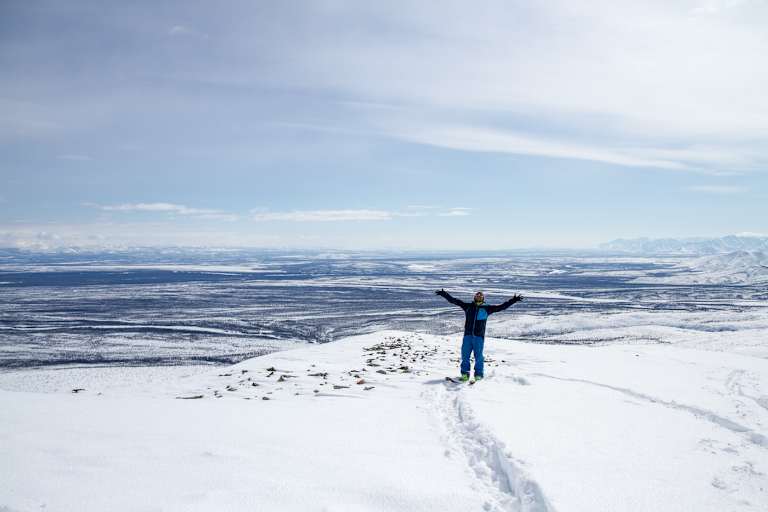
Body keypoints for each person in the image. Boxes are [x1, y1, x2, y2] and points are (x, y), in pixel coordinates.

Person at [435, 289, 523, 381]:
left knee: (479, 357)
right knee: (465, 356)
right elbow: (454, 301)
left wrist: (513, 300)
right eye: (477, 294)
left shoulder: (487, 309)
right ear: (474, 297)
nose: (479, 295)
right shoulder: (468, 307)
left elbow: (502, 307)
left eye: (481, 295)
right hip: (467, 336)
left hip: (479, 337)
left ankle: (478, 375)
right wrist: (444, 294)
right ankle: (465, 374)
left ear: (483, 298)